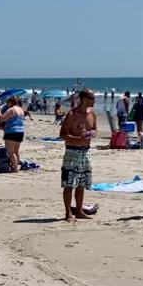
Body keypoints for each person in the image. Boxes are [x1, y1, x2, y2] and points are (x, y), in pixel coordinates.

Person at [58, 89, 97, 221]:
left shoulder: (92, 114)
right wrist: (77, 139)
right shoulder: (72, 114)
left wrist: (92, 133)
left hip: (86, 152)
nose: (94, 100)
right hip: (72, 152)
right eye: (92, 98)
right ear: (85, 98)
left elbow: (94, 129)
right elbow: (62, 134)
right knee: (69, 184)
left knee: (82, 183)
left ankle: (79, 211)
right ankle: (68, 212)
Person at [0, 95, 28, 171]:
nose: (6, 104)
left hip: (11, 132)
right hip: (20, 132)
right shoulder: (21, 110)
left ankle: (15, 168)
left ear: (10, 102)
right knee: (16, 151)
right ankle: (16, 165)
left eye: (7, 102)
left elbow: (2, 119)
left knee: (11, 152)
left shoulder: (11, 110)